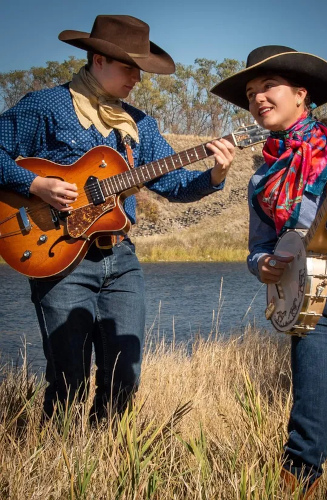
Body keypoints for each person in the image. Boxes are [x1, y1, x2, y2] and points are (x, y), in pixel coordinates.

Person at [0, 15, 235, 421]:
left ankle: (107, 454)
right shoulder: (46, 106)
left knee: (125, 374)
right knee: (68, 378)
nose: (138, 80)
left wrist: (216, 173)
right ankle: (63, 466)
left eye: (140, 70)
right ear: (97, 60)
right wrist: (36, 184)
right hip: (58, 257)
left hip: (122, 260)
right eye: (130, 68)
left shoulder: (139, 125)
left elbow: (174, 184)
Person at [211, 45, 327, 496]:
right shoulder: (263, 178)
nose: (257, 99)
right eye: (251, 93)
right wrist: (266, 265)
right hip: (318, 309)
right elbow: (257, 249)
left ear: (301, 94)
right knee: (306, 442)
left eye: (267, 87)